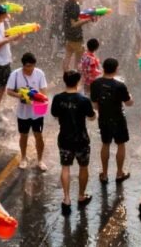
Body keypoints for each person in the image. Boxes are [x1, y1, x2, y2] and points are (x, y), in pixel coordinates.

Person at [50, 70, 95, 215]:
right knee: (83, 167)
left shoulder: (57, 98)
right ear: (78, 82)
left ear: (64, 81)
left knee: (65, 167)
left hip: (64, 138)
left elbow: (55, 115)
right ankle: (81, 196)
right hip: (81, 139)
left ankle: (67, 198)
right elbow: (91, 117)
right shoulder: (83, 100)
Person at [89, 57, 133, 185]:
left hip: (104, 118)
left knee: (106, 144)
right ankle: (119, 173)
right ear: (116, 69)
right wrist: (130, 96)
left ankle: (104, 174)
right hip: (118, 117)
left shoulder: (95, 84)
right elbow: (129, 103)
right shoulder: (120, 85)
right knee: (121, 144)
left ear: (103, 68)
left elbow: (95, 105)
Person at [5, 52, 48, 170]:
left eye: (32, 66)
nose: (30, 69)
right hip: (22, 112)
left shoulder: (39, 73)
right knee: (23, 135)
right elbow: (8, 91)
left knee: (38, 135)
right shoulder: (15, 74)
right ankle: (23, 158)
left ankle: (40, 160)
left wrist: (37, 97)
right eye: (28, 66)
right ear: (23, 65)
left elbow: (44, 91)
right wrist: (20, 96)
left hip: (37, 111)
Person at [62, 0, 98, 72]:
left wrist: (87, 15)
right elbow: (74, 24)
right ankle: (75, 78)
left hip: (68, 34)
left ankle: (66, 76)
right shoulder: (75, 5)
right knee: (79, 60)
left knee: (67, 56)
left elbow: (74, 18)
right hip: (75, 36)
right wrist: (89, 20)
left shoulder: (68, 3)